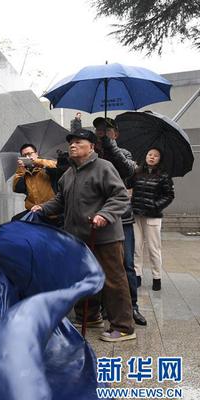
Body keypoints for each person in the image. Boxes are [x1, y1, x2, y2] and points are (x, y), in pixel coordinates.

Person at [31, 129, 136, 342]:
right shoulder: (68, 174)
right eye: (71, 142)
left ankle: (124, 327)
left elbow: (120, 196)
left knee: (113, 281)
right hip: (78, 238)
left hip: (104, 236)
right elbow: (60, 200)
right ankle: (89, 316)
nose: (72, 145)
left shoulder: (104, 168)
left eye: (79, 142)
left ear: (92, 146)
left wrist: (104, 215)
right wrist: (42, 208)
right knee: (83, 278)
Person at [93, 117, 146, 326]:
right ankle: (106, 306)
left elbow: (126, 170)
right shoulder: (92, 155)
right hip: (97, 217)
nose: (101, 131)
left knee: (127, 265)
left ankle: (132, 306)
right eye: (98, 129)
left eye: (106, 129)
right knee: (101, 264)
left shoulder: (124, 153)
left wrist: (110, 145)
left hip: (122, 218)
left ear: (116, 133)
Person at [128, 147, 175, 291]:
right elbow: (128, 184)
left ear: (159, 159)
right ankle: (137, 275)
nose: (152, 157)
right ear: (146, 156)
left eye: (156, 156)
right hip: (136, 214)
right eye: (150, 154)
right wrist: (130, 170)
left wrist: (155, 206)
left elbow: (169, 195)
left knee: (154, 248)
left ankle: (157, 277)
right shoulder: (137, 172)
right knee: (136, 248)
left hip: (153, 216)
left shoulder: (164, 176)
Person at [11, 143, 59, 224]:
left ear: (36, 154)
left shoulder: (45, 166)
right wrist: (20, 169)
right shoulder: (24, 173)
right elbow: (16, 188)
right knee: (15, 221)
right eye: (24, 155)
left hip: (52, 211)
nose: (27, 157)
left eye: (30, 154)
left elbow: (58, 167)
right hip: (35, 211)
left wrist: (37, 161)